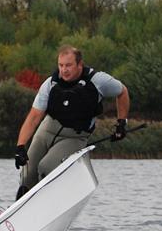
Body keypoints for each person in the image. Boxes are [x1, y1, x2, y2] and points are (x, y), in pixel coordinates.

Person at [14, 45, 130, 198]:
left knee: (46, 167)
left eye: (68, 65)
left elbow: (122, 92)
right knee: (27, 173)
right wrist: (20, 146)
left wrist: (121, 123)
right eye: (61, 65)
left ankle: (49, 205)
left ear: (79, 65)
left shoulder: (98, 80)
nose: (64, 70)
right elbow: (34, 116)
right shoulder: (50, 84)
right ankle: (20, 214)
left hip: (74, 137)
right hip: (47, 130)